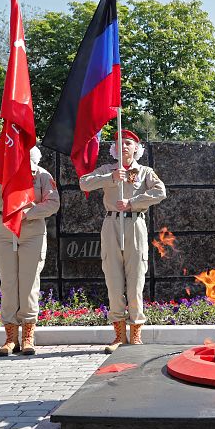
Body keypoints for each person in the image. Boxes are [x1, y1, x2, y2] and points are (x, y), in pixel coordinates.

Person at [79, 130, 166, 353]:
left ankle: (136, 331)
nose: (124, 146)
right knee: (113, 278)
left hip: (135, 223)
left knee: (136, 278)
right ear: (114, 149)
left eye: (128, 143)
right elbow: (84, 183)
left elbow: (160, 192)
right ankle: (119, 334)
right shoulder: (108, 169)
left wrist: (133, 202)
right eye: (120, 143)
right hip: (111, 225)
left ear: (136, 148)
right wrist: (111, 178)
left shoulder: (145, 171)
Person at [0, 146, 60, 356]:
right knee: (8, 283)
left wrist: (28, 212)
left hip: (32, 230)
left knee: (29, 282)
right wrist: (3, 181)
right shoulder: (0, 173)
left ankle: (28, 335)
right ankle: (10, 337)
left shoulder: (41, 175)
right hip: (5, 229)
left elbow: (53, 203)